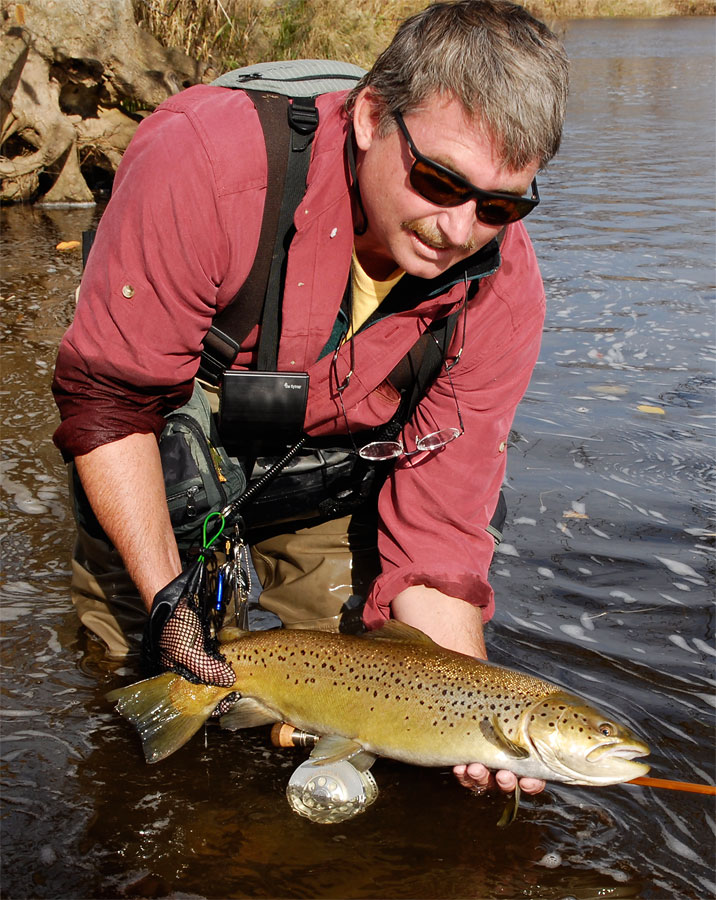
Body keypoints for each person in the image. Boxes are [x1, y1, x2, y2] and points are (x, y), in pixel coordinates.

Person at [52, 0, 569, 798]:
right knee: (137, 694)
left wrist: (471, 709)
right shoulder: (206, 163)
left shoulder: (502, 288)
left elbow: (439, 525)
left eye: (500, 206)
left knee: (352, 711)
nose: (460, 230)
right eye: (439, 180)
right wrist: (166, 603)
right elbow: (109, 403)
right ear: (369, 115)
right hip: (158, 461)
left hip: (335, 474)